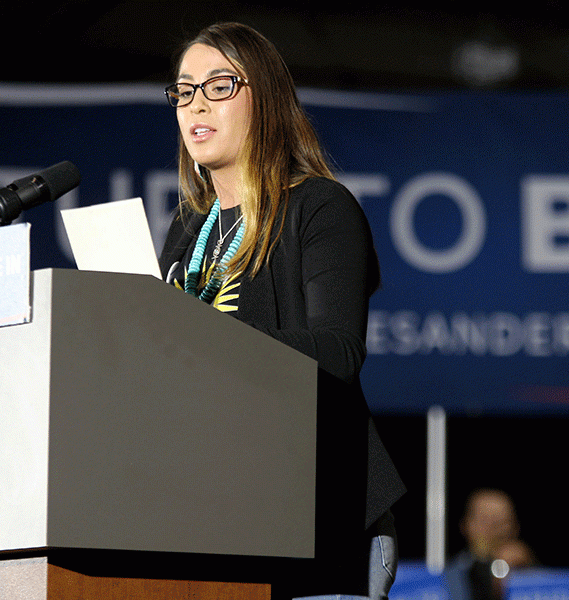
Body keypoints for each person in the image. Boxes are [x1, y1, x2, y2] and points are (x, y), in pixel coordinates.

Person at [158, 21, 405, 600]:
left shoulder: (318, 207)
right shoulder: (188, 226)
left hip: (318, 510)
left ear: (265, 99)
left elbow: (339, 352)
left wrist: (201, 333)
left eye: (220, 86)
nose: (197, 103)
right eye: (184, 89)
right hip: (211, 510)